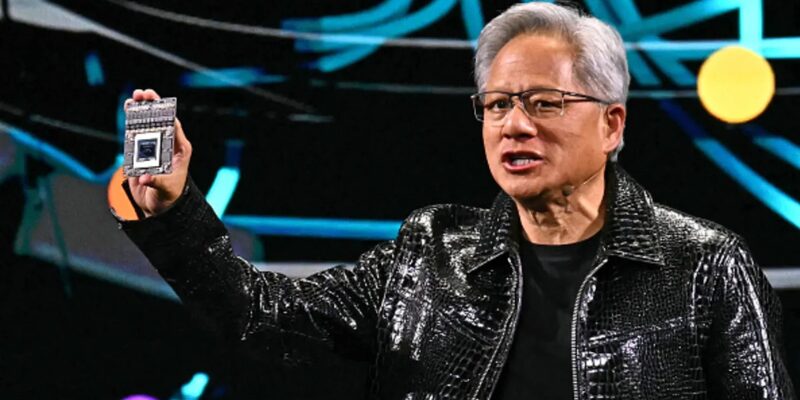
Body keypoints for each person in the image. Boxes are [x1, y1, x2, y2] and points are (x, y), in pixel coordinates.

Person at [115, 2, 795, 399]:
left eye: (544, 103)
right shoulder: (430, 251)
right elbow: (265, 317)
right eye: (496, 105)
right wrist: (174, 212)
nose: (514, 125)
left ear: (612, 124)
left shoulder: (705, 266)